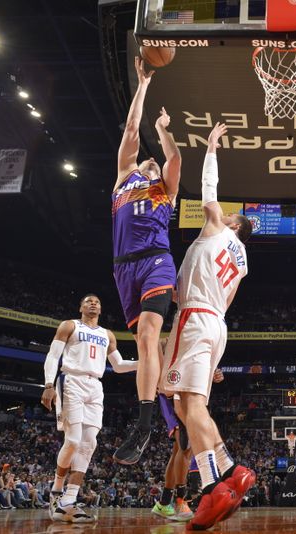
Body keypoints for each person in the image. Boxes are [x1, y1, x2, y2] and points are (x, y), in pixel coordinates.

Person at [159, 122, 255, 531]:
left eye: (230, 216)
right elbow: (227, 301)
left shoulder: (218, 226)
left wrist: (213, 148)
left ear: (234, 225)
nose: (222, 212)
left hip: (195, 318)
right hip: (217, 323)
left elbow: (208, 192)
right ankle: (229, 469)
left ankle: (216, 483)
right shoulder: (244, 261)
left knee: (188, 406)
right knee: (185, 406)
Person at [112, 56, 182, 465]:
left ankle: (142, 424)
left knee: (150, 334)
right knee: (141, 340)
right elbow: (130, 131)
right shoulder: (125, 178)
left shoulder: (165, 192)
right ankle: (147, 414)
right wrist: (142, 85)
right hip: (124, 266)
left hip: (157, 260)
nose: (151, 161)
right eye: (147, 159)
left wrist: (164, 131)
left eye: (154, 163)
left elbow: (174, 161)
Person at [41, 294, 138, 522]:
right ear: (81, 307)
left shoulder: (107, 334)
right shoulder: (69, 325)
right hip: (71, 380)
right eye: (88, 301)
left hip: (95, 386)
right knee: (73, 440)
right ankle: (56, 490)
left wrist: (145, 363)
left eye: (96, 302)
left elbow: (119, 365)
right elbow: (53, 355)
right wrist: (48, 384)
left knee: (89, 443)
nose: (93, 303)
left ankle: (68, 502)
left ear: (101, 309)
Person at [152, 338, 226, 522]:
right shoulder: (165, 342)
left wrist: (213, 374)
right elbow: (154, 365)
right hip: (170, 393)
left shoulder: (193, 337)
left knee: (179, 449)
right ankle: (181, 500)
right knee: (185, 445)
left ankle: (164, 502)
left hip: (184, 392)